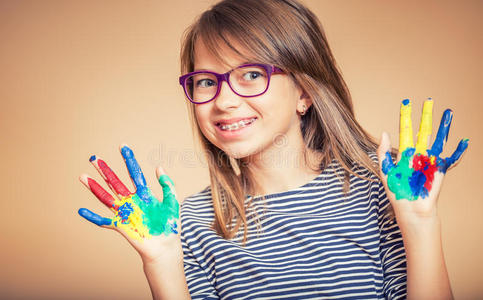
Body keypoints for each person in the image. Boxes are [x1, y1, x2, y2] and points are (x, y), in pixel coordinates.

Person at [78, 0, 468, 299]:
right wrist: (161, 262)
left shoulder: (379, 193)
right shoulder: (189, 223)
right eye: (205, 81)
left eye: (250, 75)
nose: (224, 101)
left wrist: (419, 224)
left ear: (304, 91)